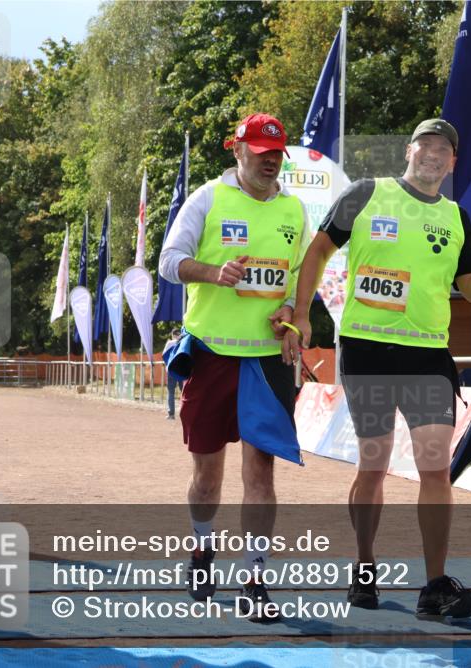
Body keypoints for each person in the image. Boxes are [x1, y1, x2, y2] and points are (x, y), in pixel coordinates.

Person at [284, 118, 471, 619]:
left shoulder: (457, 217)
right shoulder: (366, 193)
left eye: (445, 149)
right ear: (410, 151)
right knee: (373, 464)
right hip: (367, 350)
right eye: (427, 144)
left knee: (435, 468)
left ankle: (435, 585)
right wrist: (304, 314)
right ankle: (364, 568)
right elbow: (318, 251)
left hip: (428, 356)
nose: (434, 154)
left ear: (453, 162)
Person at [158, 112, 308, 623]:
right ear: (237, 150)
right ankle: (202, 550)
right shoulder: (208, 199)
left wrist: (290, 311)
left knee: (261, 472)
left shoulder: (293, 210)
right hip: (212, 352)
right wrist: (212, 272)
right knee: (206, 473)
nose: (270, 161)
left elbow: (295, 280)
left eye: (276, 153)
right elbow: (167, 260)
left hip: (267, 361)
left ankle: (255, 578)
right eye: (261, 151)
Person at [162, 328, 184, 419]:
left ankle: (171, 414)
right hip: (182, 370)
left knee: (171, 392)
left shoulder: (169, 343)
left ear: (173, 334)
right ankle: (185, 413)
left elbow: (164, 355)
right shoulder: (183, 342)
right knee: (184, 392)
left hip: (171, 370)